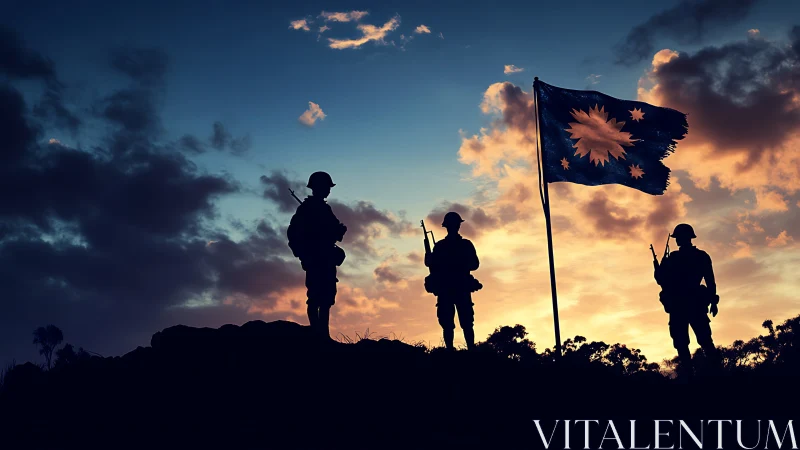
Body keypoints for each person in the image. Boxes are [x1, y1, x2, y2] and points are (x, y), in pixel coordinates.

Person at [655, 223, 720, 377]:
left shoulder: (675, 258)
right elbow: (710, 282)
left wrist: (713, 301)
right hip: (691, 304)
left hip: (682, 305)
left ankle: (700, 374)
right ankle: (712, 373)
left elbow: (661, 280)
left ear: (685, 238)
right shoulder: (700, 256)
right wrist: (713, 301)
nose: (677, 240)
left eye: (678, 237)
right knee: (694, 342)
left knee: (690, 343)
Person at [287, 171, 347, 339]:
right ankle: (317, 335)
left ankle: (324, 335)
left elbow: (335, 231)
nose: (328, 190)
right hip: (315, 259)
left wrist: (339, 231)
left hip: (327, 258)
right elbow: (293, 234)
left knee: (327, 298)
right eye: (326, 187)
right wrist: (304, 255)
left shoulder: (325, 209)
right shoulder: (306, 210)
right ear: (317, 188)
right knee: (315, 297)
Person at [425, 212, 481, 350]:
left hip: (457, 288)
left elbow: (474, 264)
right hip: (450, 288)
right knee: (450, 324)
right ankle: (454, 350)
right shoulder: (443, 246)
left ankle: (467, 350)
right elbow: (431, 265)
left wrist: (457, 264)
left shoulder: (457, 245)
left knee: (465, 323)